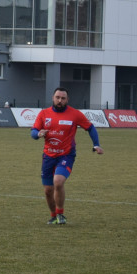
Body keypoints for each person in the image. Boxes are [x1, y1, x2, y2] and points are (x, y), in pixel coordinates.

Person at [31, 87, 103, 225]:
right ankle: (53, 216)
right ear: (53, 98)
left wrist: (96, 144)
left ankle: (60, 214)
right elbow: (33, 132)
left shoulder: (75, 114)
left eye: (63, 98)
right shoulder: (44, 114)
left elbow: (90, 128)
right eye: (57, 97)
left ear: (67, 100)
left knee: (58, 182)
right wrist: (38, 134)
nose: (60, 100)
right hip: (48, 156)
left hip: (66, 155)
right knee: (48, 190)